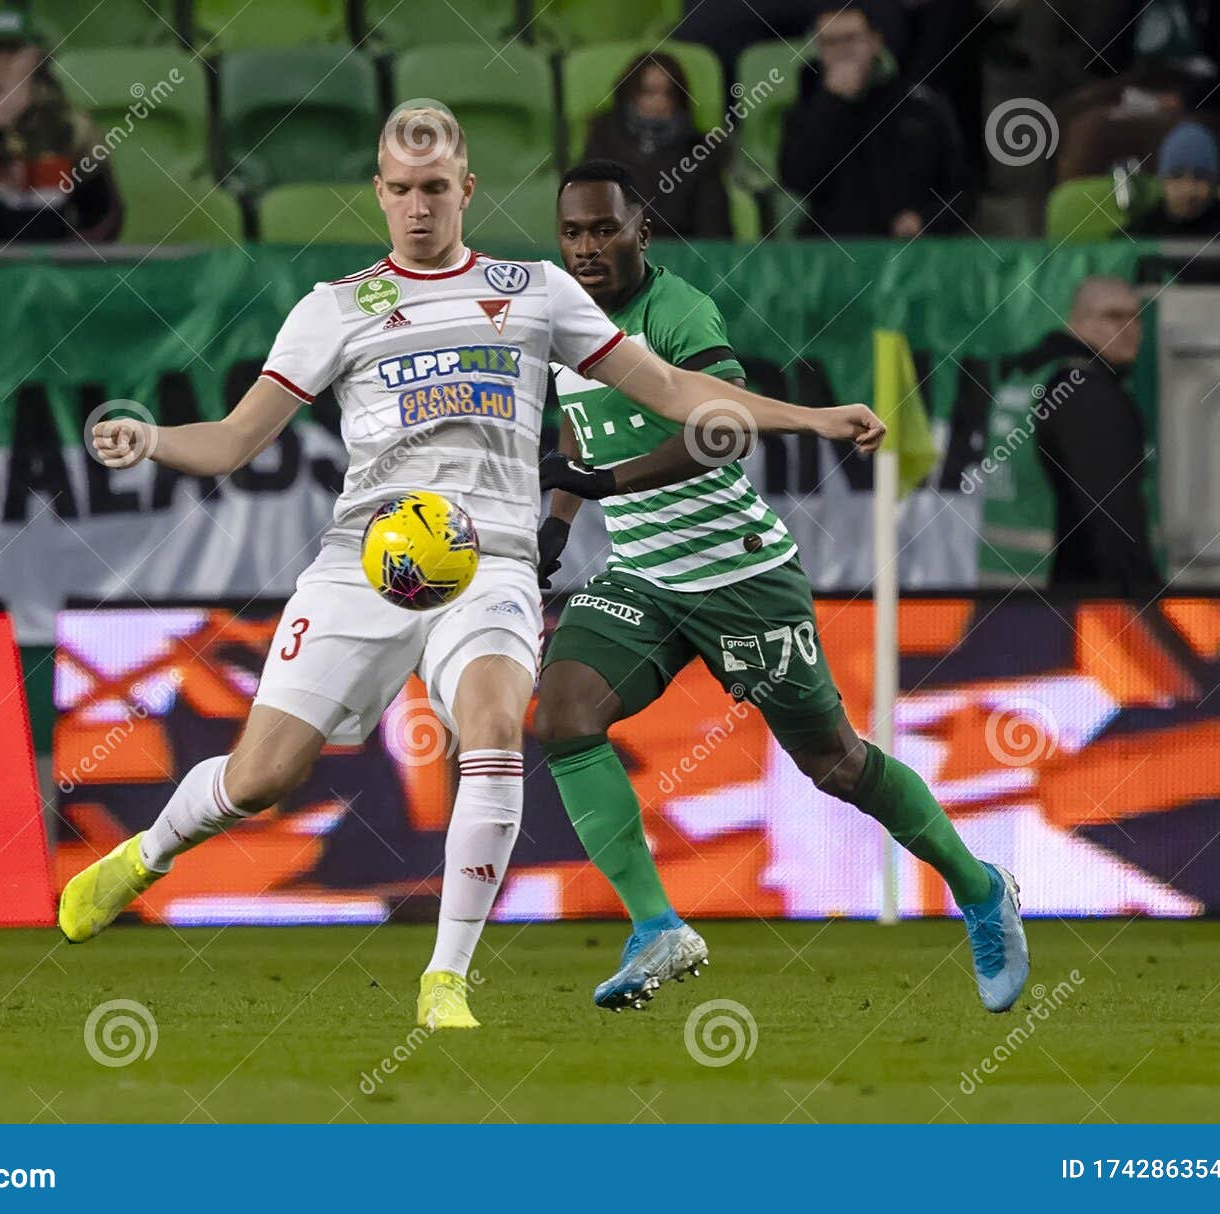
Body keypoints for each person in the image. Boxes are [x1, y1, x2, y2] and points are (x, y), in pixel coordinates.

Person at [58, 107, 888, 1030]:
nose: (419, 208)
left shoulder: (531, 289)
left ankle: (444, 980)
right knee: (261, 780)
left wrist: (808, 417)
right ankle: (147, 855)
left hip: (488, 560)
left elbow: (673, 388)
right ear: (378, 192)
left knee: (494, 728)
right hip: (363, 564)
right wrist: (153, 440)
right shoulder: (333, 308)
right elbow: (231, 442)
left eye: (436, 189)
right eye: (402, 191)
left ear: (467, 189)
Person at [533, 160, 1029, 1015]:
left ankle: (981, 890)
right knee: (563, 716)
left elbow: (721, 433)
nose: (587, 247)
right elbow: (579, 445)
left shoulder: (677, 312)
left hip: (739, 579)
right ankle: (656, 926)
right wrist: (555, 527)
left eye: (604, 229)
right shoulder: (562, 328)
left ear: (640, 231)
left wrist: (609, 490)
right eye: (573, 232)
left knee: (834, 763)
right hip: (643, 580)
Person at [779, 1, 972, 239]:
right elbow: (798, 180)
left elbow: (963, 192)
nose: (842, 52)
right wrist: (832, 104)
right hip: (832, 252)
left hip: (907, 253)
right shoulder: (807, 108)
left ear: (875, 42)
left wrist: (926, 220)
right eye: (830, 42)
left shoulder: (920, 107)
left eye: (851, 39)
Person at [0, 9, 122, 244]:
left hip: (50, 269)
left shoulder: (67, 123)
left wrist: (70, 262)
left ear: (33, 58)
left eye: (11, 54)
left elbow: (106, 214)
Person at [1025, 277, 1161, 591]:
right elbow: (1112, 511)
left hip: (1020, 597)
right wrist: (1143, 599)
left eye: (1135, 317)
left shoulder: (1054, 377)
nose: (1129, 328)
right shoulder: (1086, 392)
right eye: (1113, 316)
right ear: (1079, 322)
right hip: (1079, 602)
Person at [581, 51, 730, 238]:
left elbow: (713, 232)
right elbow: (586, 217)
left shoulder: (699, 151)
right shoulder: (602, 141)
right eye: (649, 92)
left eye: (668, 94)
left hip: (680, 257)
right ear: (631, 95)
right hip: (615, 255)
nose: (659, 103)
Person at [1129, 121, 1220, 287]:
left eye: (1200, 177)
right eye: (1176, 176)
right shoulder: (1137, 236)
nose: (1188, 189)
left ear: (1215, 182)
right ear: (1162, 180)